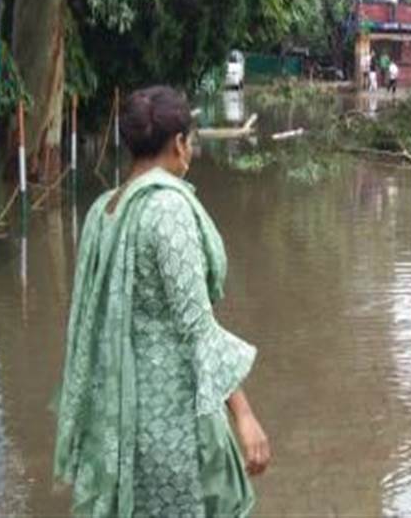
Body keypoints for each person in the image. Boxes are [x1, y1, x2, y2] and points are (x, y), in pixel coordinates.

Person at [54, 86, 270, 516]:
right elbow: (197, 327)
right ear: (178, 144)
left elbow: (86, 322)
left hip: (115, 421)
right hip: (169, 423)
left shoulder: (103, 211)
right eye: (189, 141)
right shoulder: (166, 209)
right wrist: (244, 416)